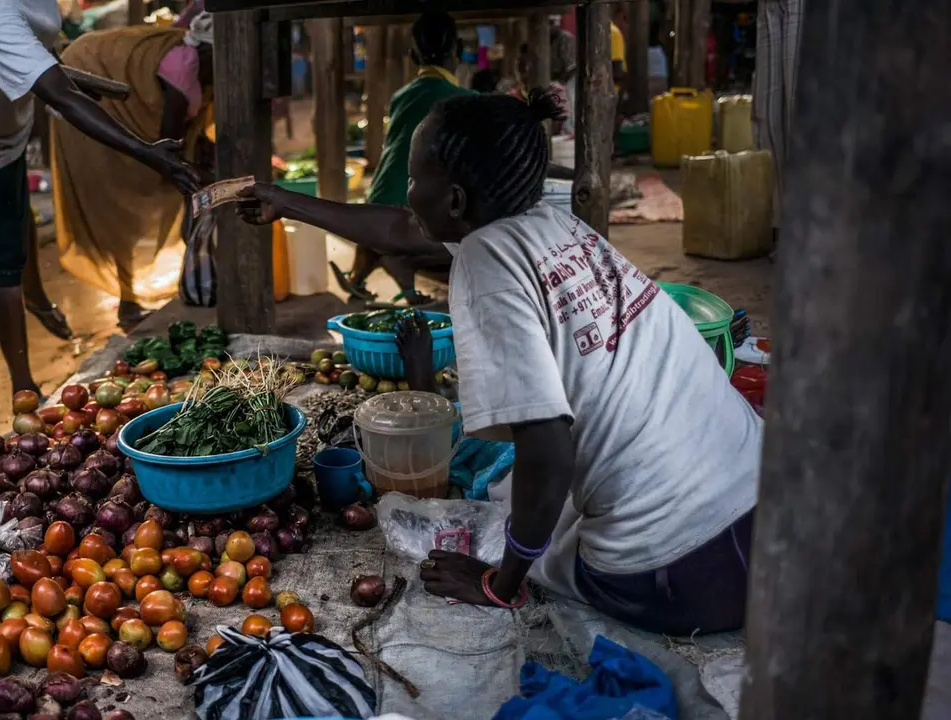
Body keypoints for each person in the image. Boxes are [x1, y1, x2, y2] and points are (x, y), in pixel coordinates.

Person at [237, 91, 761, 636]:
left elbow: (548, 446)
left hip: (681, 575)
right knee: (539, 497)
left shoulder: (485, 265)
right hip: (770, 519)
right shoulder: (556, 225)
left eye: (414, 181)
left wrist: (500, 583)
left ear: (457, 202)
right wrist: (284, 202)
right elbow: (398, 228)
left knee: (535, 525)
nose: (407, 195)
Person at [0, 0, 197, 400]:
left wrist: (67, 75)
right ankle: (22, 385)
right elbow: (60, 97)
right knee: (1, 251)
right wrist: (148, 152)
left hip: (2, 116)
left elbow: (34, 54)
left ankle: (35, 297)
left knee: (18, 216)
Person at [50, 13, 216, 324]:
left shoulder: (206, 73)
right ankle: (128, 301)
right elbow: (170, 140)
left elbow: (191, 128)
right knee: (118, 200)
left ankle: (174, 283)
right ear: (210, 52)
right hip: (98, 105)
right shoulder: (185, 66)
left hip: (131, 114)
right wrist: (201, 174)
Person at [336, 11, 474, 307]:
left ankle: (370, 272)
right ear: (459, 50)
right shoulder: (464, 100)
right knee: (474, 229)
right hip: (410, 215)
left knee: (383, 222)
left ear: (412, 55)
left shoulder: (401, 96)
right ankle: (398, 263)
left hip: (377, 202)